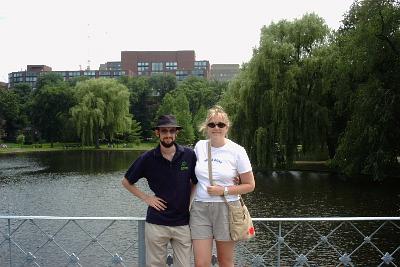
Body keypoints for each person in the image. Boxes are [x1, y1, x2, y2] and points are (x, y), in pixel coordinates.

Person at [122, 114, 197, 267]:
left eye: (171, 131)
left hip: (183, 223)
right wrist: (147, 198)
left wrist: (189, 204)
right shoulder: (147, 158)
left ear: (176, 133)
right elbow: (126, 182)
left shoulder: (189, 155)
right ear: (157, 133)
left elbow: (196, 182)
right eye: (164, 131)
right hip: (157, 223)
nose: (168, 135)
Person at [189, 105, 255, 267]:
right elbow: (191, 179)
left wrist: (224, 190)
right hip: (200, 209)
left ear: (227, 127)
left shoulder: (237, 151)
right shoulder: (199, 147)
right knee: (201, 263)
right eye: (212, 124)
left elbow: (250, 185)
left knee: (225, 262)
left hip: (226, 208)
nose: (216, 128)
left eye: (220, 124)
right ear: (206, 127)